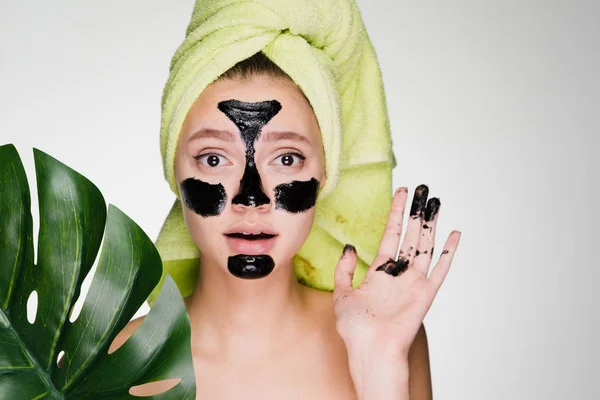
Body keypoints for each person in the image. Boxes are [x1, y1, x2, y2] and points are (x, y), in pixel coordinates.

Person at [107, 1, 461, 399]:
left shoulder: (385, 334)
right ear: (174, 170)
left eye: (287, 159)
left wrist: (378, 371)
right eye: (213, 158)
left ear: (326, 172)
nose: (251, 198)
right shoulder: (108, 365)